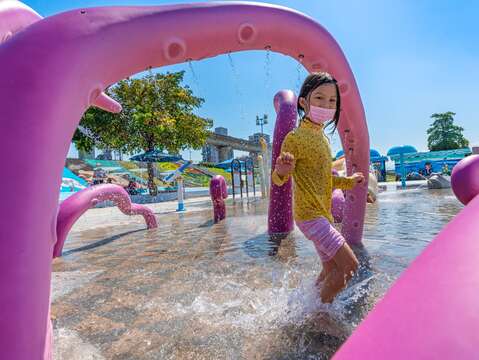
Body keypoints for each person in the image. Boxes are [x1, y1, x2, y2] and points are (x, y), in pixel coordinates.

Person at [271, 72, 364, 303]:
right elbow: (278, 178)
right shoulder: (295, 138)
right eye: (320, 98)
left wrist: (350, 182)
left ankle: (306, 305)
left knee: (331, 268)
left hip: (322, 215)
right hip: (310, 216)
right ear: (303, 102)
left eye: (332, 101)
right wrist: (282, 171)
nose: (326, 105)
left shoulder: (323, 139)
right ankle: (319, 315)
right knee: (350, 266)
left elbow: (324, 180)